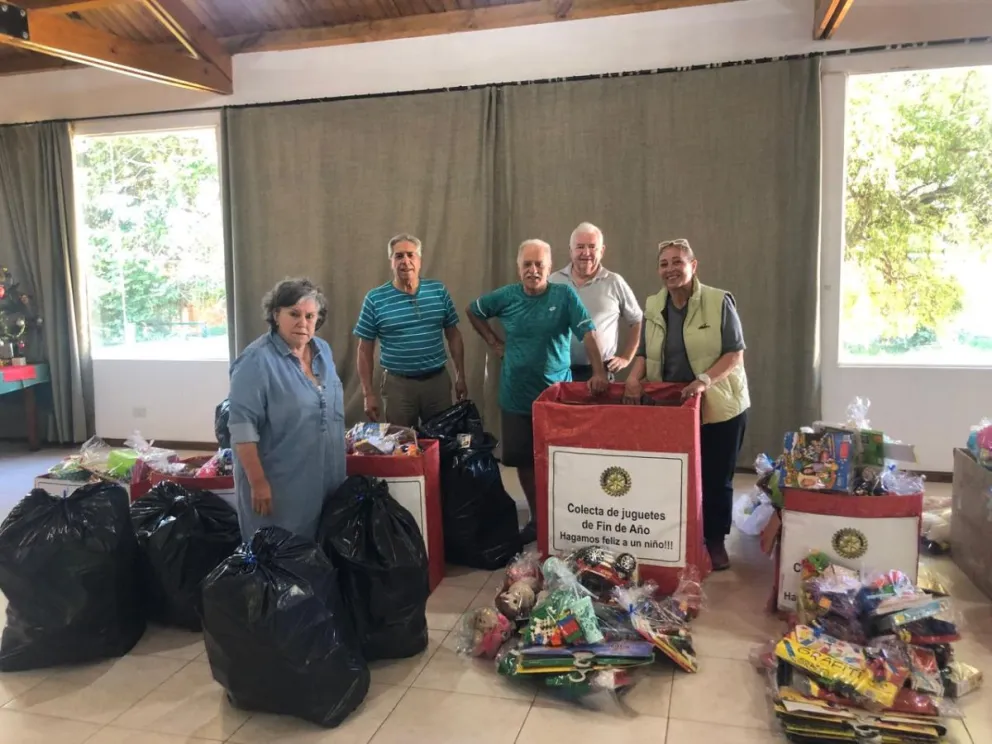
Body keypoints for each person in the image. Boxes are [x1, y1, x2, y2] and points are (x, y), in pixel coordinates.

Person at [467, 239, 609, 545]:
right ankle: (536, 517)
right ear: (519, 268)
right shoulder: (506, 297)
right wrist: (494, 343)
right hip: (516, 397)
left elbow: (588, 331)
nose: (533, 271)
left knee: (562, 459)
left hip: (555, 398)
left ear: (549, 266)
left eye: (539, 265)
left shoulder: (564, 294)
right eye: (527, 265)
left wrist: (599, 372)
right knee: (523, 460)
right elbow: (474, 311)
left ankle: (567, 515)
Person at [623, 238, 750, 571]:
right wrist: (634, 378)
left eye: (677, 262)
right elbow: (645, 353)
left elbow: (734, 353)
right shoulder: (653, 304)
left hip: (720, 405)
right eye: (664, 264)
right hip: (671, 409)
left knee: (715, 477)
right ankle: (675, 537)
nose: (670, 270)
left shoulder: (718, 300)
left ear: (694, 265)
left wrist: (704, 381)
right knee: (671, 476)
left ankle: (715, 541)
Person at [227, 278, 346, 541]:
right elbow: (241, 427)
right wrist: (258, 482)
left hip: (326, 476)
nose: (302, 322)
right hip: (281, 484)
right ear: (275, 314)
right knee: (281, 556)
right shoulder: (255, 361)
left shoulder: (322, 351)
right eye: (294, 314)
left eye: (310, 316)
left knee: (320, 552)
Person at [354, 233, 467, 427]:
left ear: (419, 260)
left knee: (443, 443)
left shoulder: (438, 291)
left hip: (437, 383)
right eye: (399, 256)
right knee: (402, 445)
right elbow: (364, 350)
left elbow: (453, 335)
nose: (405, 261)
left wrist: (460, 376)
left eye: (410, 255)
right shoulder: (375, 299)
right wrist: (368, 394)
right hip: (398, 386)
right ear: (391, 262)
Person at [549, 222, 643, 382]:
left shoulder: (614, 282)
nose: (586, 253)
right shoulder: (553, 281)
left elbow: (637, 320)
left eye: (592, 247)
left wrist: (626, 357)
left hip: (601, 374)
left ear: (602, 251)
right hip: (559, 372)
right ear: (570, 250)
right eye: (580, 247)